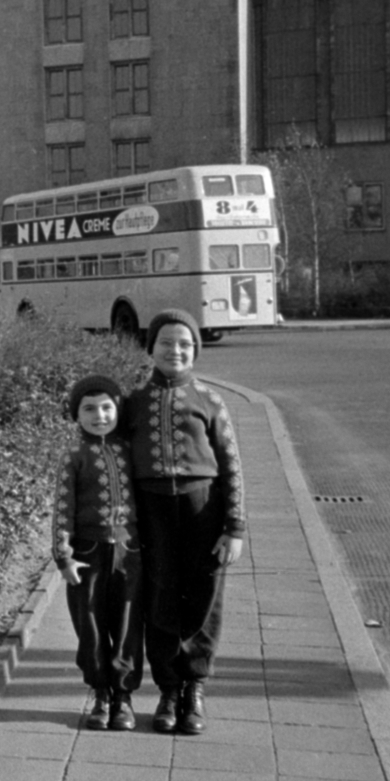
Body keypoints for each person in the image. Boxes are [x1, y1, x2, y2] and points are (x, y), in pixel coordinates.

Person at [127, 309, 245, 736]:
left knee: (202, 594)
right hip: (152, 511)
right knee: (158, 595)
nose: (174, 351)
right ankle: (168, 687)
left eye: (184, 344)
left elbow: (231, 465)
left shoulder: (211, 401)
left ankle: (194, 685)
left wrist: (235, 528)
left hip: (203, 510)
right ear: (151, 348)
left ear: (195, 350)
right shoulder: (134, 403)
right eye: (165, 343)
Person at [52, 374, 143, 731]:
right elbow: (63, 506)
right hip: (86, 552)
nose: (99, 415)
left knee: (126, 623)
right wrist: (63, 555)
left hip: (129, 550)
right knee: (89, 622)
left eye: (107, 407)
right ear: (77, 415)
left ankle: (123, 696)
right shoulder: (73, 455)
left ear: (117, 409)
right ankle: (100, 691)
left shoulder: (129, 451)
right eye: (89, 409)